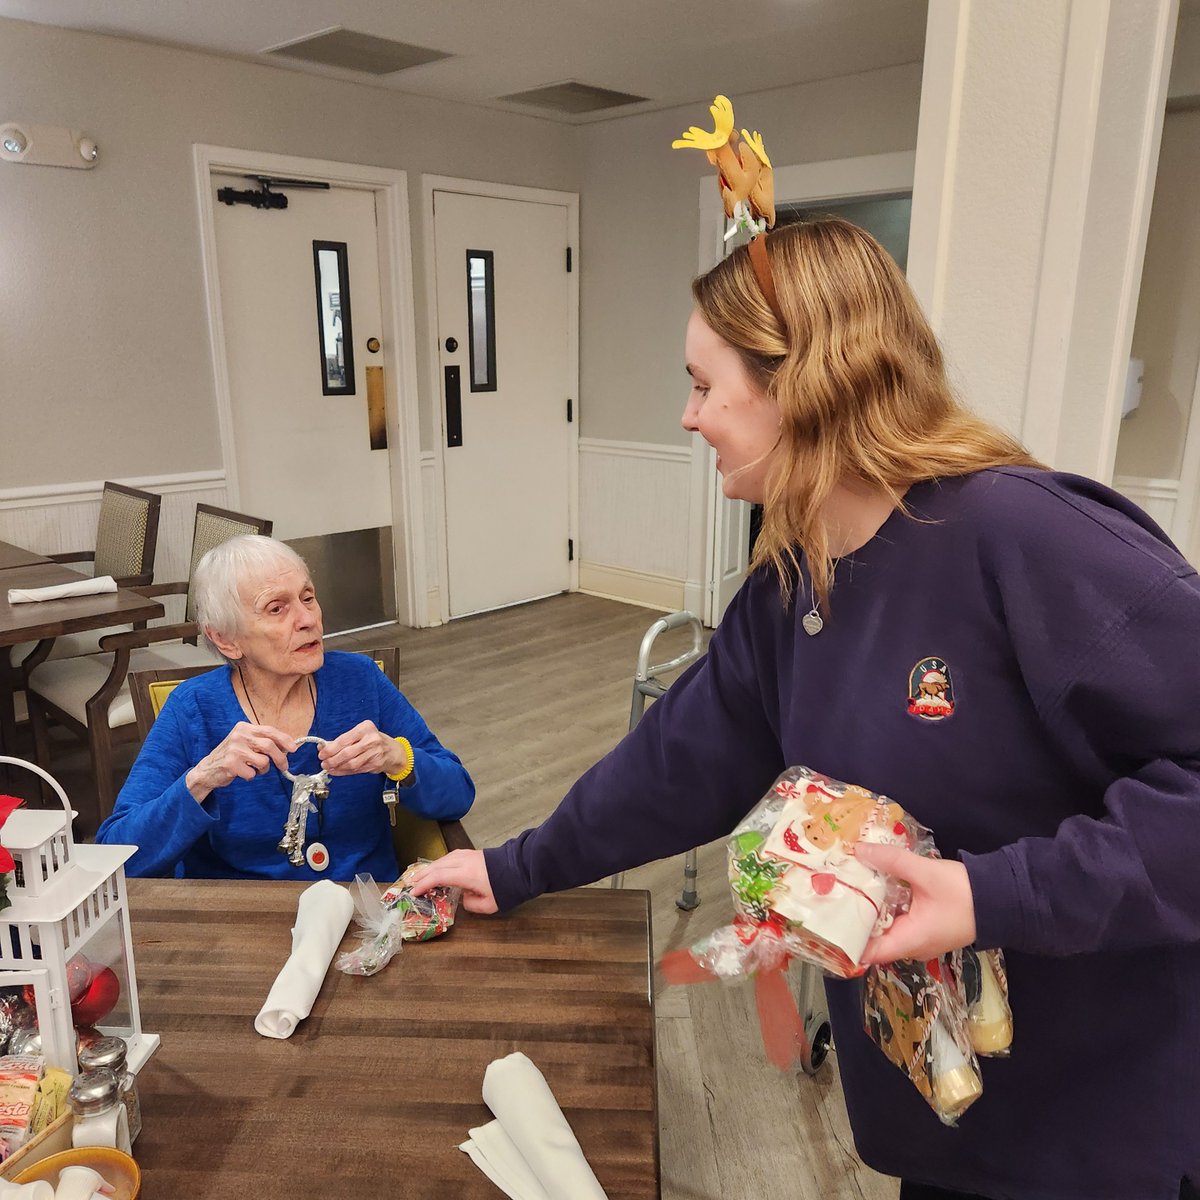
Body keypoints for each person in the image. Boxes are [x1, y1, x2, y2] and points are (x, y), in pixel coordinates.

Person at [412, 218, 1200, 1199]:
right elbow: (679, 765)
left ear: (807, 384)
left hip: (1098, 1121)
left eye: (706, 385)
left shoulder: (1025, 536)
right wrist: (512, 865)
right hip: (948, 1103)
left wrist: (997, 895)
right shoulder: (797, 582)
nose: (688, 416)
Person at [98, 534, 473, 881]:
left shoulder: (359, 681)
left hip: (365, 911)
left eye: (308, 598)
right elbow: (118, 855)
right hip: (245, 922)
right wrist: (202, 779)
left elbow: (458, 792)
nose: (308, 620)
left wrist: (398, 758)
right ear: (225, 639)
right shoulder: (193, 708)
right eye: (277, 609)